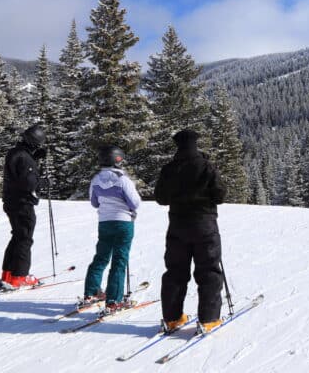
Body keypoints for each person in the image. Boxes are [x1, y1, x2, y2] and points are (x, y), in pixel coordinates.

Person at [155, 129, 227, 334]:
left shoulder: (169, 169)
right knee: (208, 271)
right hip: (204, 225)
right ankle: (209, 318)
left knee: (175, 272)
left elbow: (161, 198)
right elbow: (220, 195)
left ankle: (172, 318)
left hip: (177, 226)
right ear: (196, 144)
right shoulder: (206, 166)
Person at [83, 145, 142, 314]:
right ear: (117, 159)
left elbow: (94, 202)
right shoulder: (122, 179)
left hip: (104, 222)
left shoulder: (96, 179)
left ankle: (91, 292)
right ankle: (113, 300)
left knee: (101, 257)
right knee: (119, 260)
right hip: (123, 222)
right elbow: (135, 202)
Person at [0, 123, 47, 288]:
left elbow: (19, 173)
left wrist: (35, 158)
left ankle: (8, 274)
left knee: (17, 236)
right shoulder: (24, 157)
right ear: (34, 143)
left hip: (11, 200)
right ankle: (20, 276)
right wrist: (42, 182)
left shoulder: (16, 152)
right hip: (22, 202)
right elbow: (28, 182)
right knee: (25, 238)